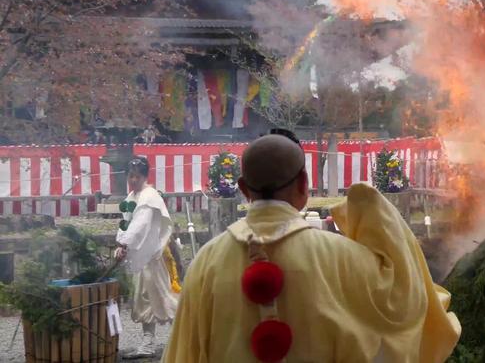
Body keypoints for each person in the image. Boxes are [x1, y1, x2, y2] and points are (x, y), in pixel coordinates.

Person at [163, 134, 460, 362]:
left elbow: (182, 354)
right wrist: (373, 216)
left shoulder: (206, 262)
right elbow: (403, 303)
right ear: (304, 184)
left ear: (242, 189)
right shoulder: (343, 256)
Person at [114, 157, 181, 357]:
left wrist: (125, 243)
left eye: (137, 176)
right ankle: (148, 343)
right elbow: (125, 223)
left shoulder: (149, 196)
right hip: (139, 257)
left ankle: (191, 333)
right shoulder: (131, 197)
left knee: (164, 296)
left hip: (154, 256)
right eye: (130, 176)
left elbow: (141, 224)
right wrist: (120, 243)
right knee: (142, 298)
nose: (133, 180)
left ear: (144, 176)